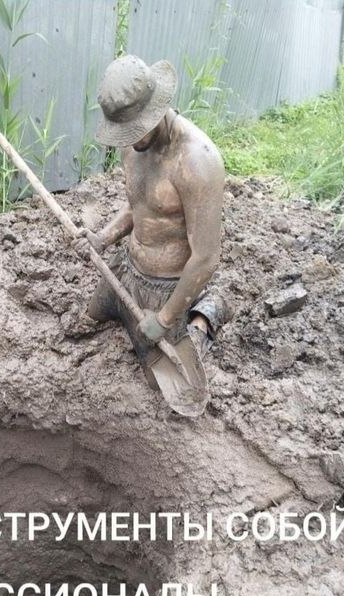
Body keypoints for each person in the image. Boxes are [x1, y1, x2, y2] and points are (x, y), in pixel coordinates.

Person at [75, 55, 228, 386]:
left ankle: (204, 314)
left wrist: (165, 318)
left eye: (135, 129)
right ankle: (136, 306)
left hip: (167, 287)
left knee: (157, 381)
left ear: (155, 108)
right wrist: (102, 238)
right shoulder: (133, 145)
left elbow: (206, 257)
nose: (129, 140)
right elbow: (139, 206)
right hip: (127, 269)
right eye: (123, 131)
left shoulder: (197, 161)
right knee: (89, 316)